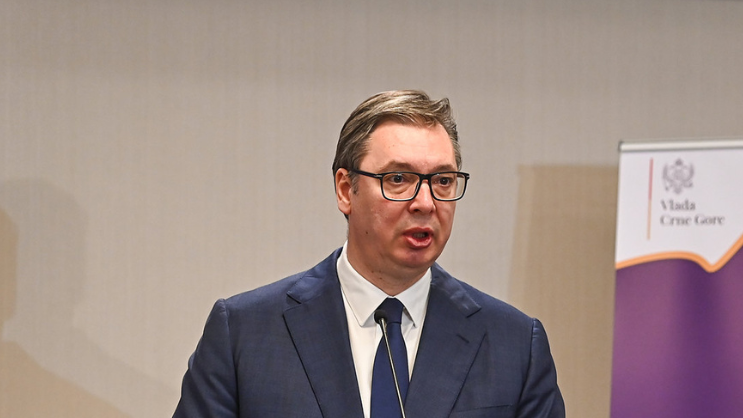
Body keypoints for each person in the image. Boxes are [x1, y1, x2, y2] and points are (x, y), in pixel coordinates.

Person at [173, 90, 565, 418]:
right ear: (346, 190)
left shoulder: (515, 345)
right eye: (399, 179)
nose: (426, 202)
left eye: (443, 180)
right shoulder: (245, 333)